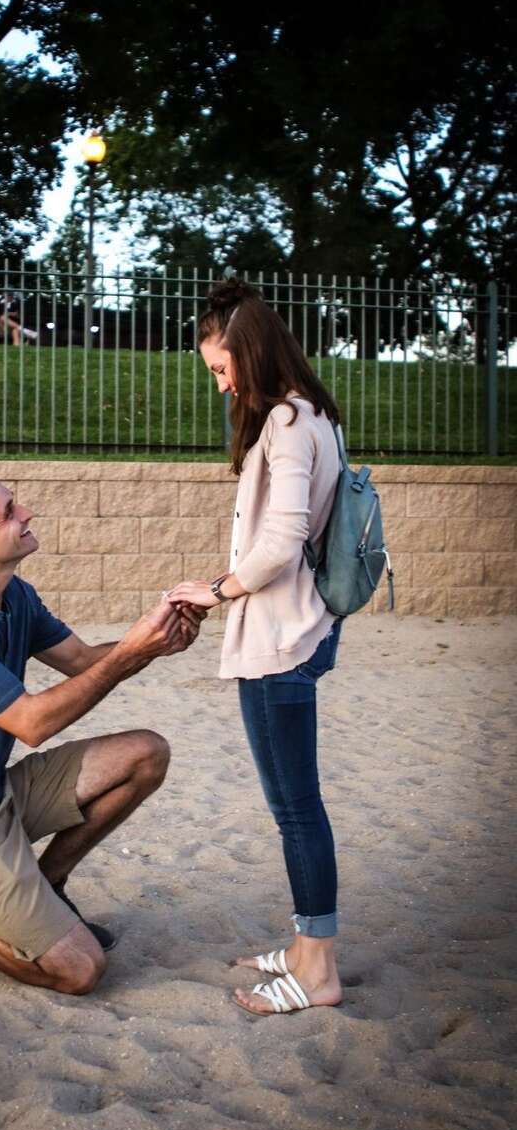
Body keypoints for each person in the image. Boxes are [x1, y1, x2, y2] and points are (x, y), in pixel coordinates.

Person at [0, 456, 204, 996]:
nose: (26, 512)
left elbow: (83, 661)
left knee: (147, 753)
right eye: (10, 511)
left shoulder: (15, 595)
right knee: (79, 971)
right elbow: (34, 723)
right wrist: (129, 654)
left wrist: (158, 639)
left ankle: (48, 884)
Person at [167, 280, 344, 1017]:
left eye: (221, 369)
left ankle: (321, 969)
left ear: (251, 352)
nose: (220, 385)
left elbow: (282, 538)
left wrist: (219, 588)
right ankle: (305, 950)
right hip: (287, 632)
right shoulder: (313, 417)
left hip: (280, 638)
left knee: (297, 810)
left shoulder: (288, 423)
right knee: (292, 807)